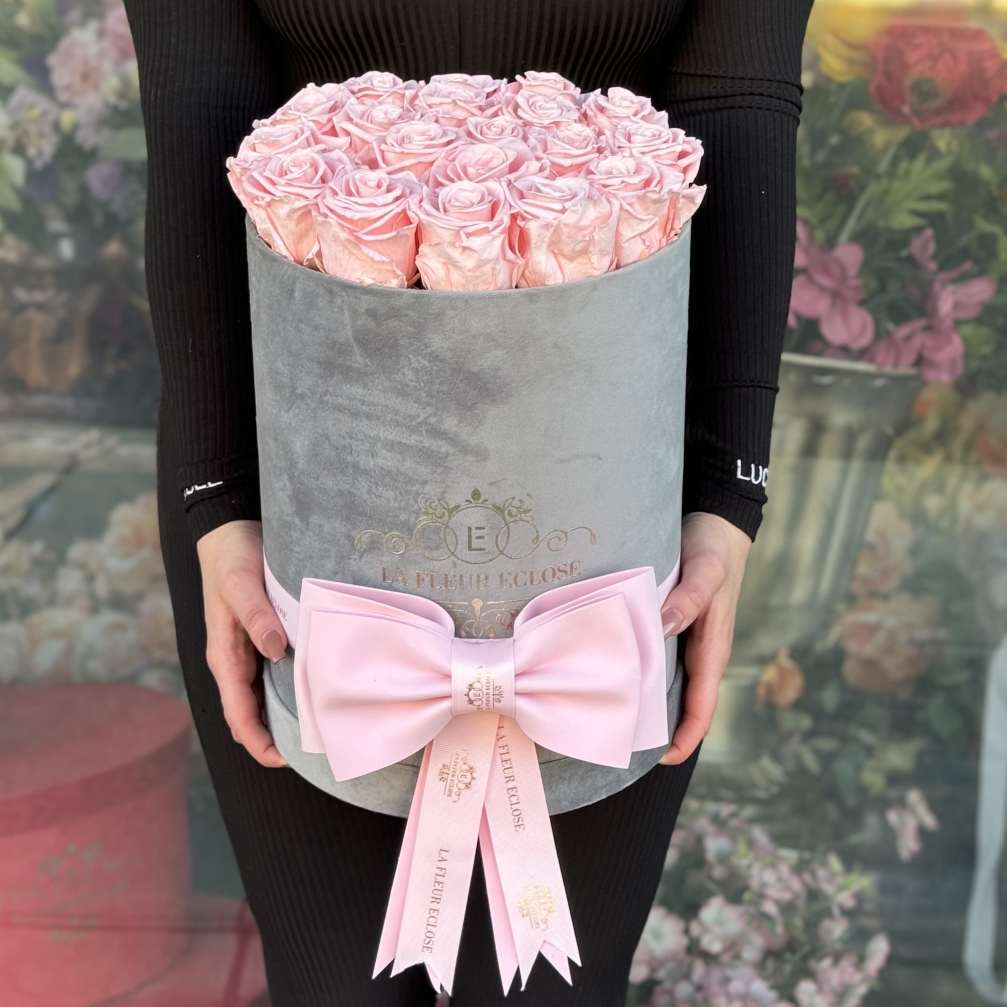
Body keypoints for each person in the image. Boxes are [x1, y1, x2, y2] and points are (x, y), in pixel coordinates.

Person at [125, 1, 814, 1003]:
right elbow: (198, 109)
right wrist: (216, 496)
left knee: (548, 984)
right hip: (289, 493)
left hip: (611, 504)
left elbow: (737, 103)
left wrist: (725, 492)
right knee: (335, 980)